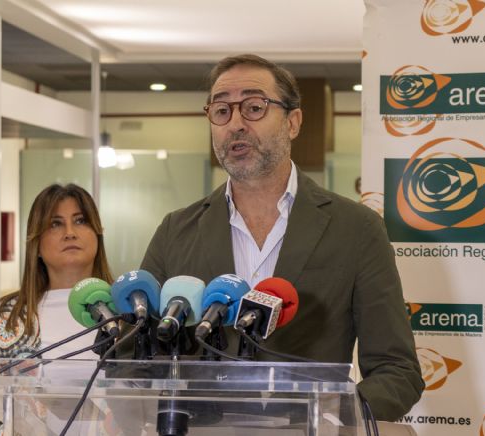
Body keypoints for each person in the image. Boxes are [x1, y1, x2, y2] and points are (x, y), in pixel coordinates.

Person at [140, 54, 424, 421]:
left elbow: (397, 371)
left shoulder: (356, 228)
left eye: (254, 108)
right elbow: (134, 356)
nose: (236, 124)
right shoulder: (176, 231)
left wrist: (334, 414)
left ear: (293, 122)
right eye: (222, 111)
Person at [0, 183, 113, 435]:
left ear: (97, 235)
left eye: (80, 221)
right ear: (36, 243)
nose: (70, 233)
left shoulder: (127, 310)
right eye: (55, 224)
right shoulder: (8, 315)